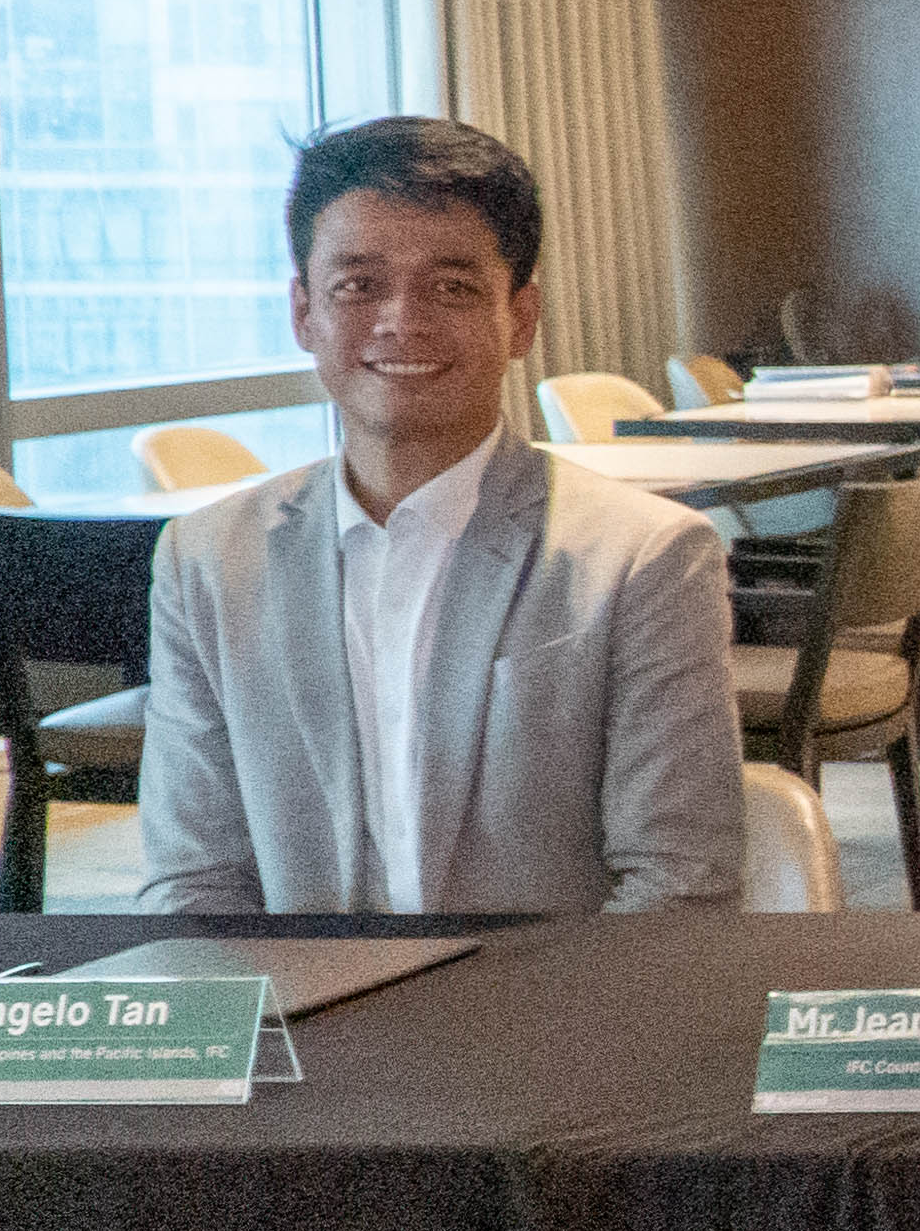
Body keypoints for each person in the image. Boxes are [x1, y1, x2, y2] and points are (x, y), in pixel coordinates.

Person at [139, 116, 740, 913]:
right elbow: (193, 883)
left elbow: (679, 884)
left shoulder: (645, 557)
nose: (402, 319)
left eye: (452, 287)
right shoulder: (207, 561)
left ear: (521, 318)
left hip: (553, 993)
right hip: (301, 996)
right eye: (358, 286)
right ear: (303, 312)